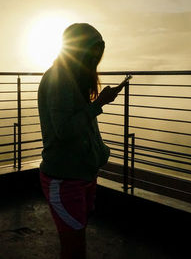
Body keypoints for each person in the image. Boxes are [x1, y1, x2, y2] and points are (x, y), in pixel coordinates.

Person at [37, 23, 126, 259]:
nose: (94, 59)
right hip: (64, 178)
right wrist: (98, 105)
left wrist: (98, 152)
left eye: (98, 53)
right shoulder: (60, 78)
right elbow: (64, 130)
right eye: (91, 52)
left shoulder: (71, 78)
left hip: (81, 174)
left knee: (76, 243)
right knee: (73, 248)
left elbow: (82, 124)